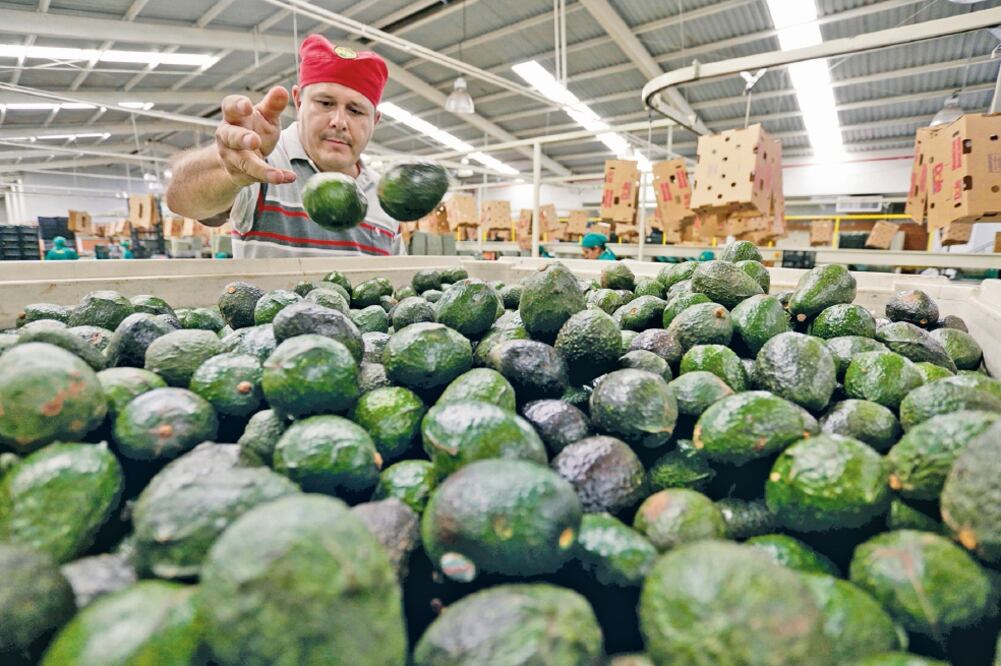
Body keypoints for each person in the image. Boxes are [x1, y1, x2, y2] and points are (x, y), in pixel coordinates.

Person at [165, 35, 403, 258]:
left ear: (374, 121)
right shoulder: (261, 165)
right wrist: (228, 167)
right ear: (299, 101)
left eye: (355, 110)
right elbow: (181, 200)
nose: (339, 122)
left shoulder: (386, 197)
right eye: (325, 103)